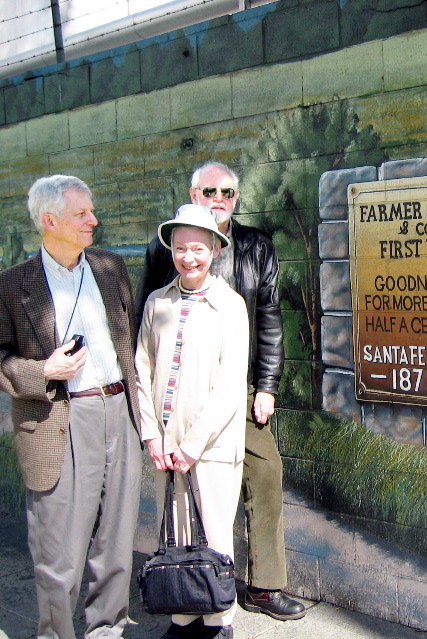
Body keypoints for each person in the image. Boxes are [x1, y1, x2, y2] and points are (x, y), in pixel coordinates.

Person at [134, 161, 305, 620]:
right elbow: (147, 320)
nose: (219, 198)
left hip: (239, 383)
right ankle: (187, 590)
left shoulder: (255, 247)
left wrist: (266, 386)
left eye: (228, 192)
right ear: (193, 193)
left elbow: (269, 320)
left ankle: (263, 586)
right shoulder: (163, 249)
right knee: (184, 493)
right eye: (209, 190)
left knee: (265, 472)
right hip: (183, 385)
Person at [0, 175, 142, 639]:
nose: (93, 220)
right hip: (57, 418)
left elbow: (128, 335)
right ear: (49, 221)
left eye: (91, 211)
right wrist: (44, 372)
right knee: (58, 553)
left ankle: (108, 629)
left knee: (116, 544)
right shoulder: (12, 284)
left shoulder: (109, 267)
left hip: (117, 411)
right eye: (81, 214)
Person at [135, 204, 250, 639]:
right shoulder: (156, 302)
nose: (189, 257)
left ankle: (219, 622)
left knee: (214, 533)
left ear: (215, 250)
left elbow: (229, 383)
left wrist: (192, 444)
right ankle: (183, 619)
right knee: (177, 530)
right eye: (181, 248)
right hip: (165, 446)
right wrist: (152, 434)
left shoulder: (231, 306)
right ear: (172, 250)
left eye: (199, 248)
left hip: (212, 446)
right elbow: (140, 369)